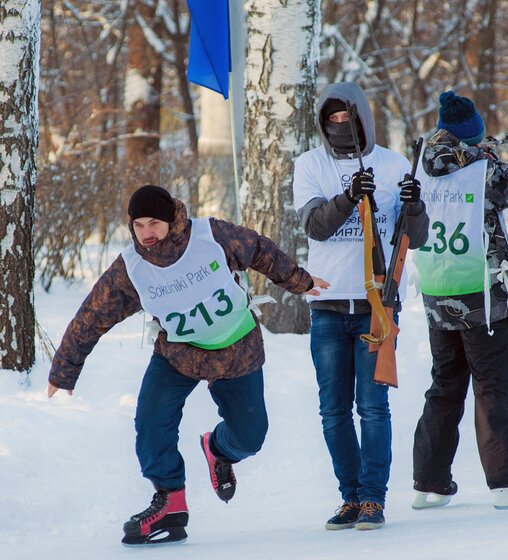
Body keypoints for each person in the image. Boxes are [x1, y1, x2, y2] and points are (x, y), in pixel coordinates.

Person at [47, 185, 327, 545]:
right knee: (150, 422)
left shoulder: (210, 236)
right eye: (139, 225)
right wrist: (64, 370)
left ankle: (218, 450)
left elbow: (259, 249)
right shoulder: (131, 268)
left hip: (236, 350)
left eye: (154, 223)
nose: (147, 232)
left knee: (250, 436)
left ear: (171, 219)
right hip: (178, 357)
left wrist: (298, 281)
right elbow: (91, 317)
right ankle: (170, 502)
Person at [293, 81, 429, 530]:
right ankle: (349, 497)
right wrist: (349, 197)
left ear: (362, 119)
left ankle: (373, 498)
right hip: (328, 305)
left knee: (372, 408)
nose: (338, 125)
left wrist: (415, 208)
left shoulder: (391, 164)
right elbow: (316, 226)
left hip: (378, 304)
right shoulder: (310, 165)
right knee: (333, 410)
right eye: (329, 119)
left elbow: (416, 238)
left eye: (345, 117)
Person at [410, 91, 508, 511]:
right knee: (491, 386)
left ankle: (429, 483)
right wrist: (489, 156)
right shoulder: (484, 170)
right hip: (482, 294)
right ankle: (507, 480)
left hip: (437, 292)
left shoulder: (420, 165)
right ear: (473, 135)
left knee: (444, 386)